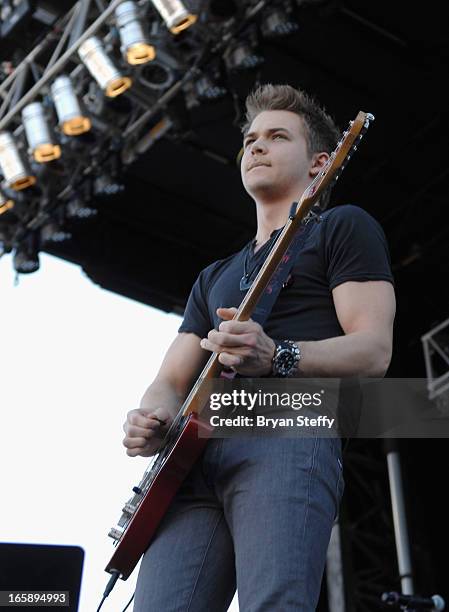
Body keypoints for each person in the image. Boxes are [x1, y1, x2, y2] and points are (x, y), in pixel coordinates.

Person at [123, 84, 396, 611]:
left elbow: (373, 351)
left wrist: (279, 356)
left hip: (288, 430)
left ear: (320, 163)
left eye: (276, 136)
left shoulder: (342, 227)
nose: (256, 147)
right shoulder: (214, 277)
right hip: (194, 454)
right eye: (250, 139)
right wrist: (151, 415)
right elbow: (172, 379)